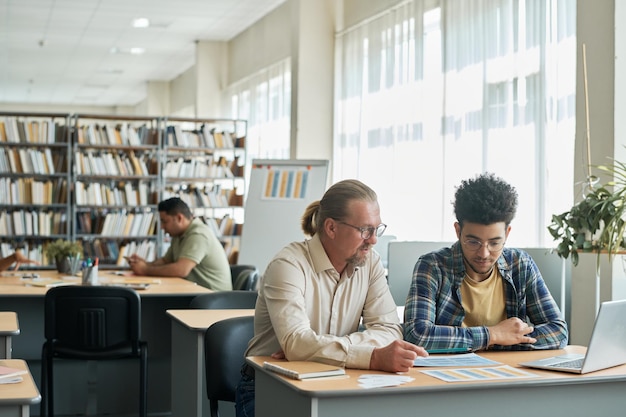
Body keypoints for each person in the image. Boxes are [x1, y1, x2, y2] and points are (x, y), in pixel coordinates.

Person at [235, 179, 427, 417]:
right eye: (365, 230)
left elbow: (389, 329)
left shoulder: (371, 262)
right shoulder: (288, 265)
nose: (374, 239)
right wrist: (372, 356)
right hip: (269, 386)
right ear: (331, 228)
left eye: (377, 229)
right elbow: (296, 343)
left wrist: (316, 347)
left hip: (339, 380)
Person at [404, 173, 568, 351]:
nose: (484, 253)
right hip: (450, 372)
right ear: (458, 231)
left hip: (510, 373)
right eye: (473, 242)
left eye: (495, 243)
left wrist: (500, 339)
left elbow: (558, 332)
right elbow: (416, 335)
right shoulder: (433, 266)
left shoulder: (520, 265)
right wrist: (493, 335)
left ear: (508, 233)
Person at [127, 197, 232, 291]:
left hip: (214, 298)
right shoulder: (178, 235)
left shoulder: (198, 234)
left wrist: (145, 270)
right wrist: (144, 264)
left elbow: (181, 270)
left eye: (164, 221)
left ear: (179, 218)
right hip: (197, 293)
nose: (162, 227)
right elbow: (165, 261)